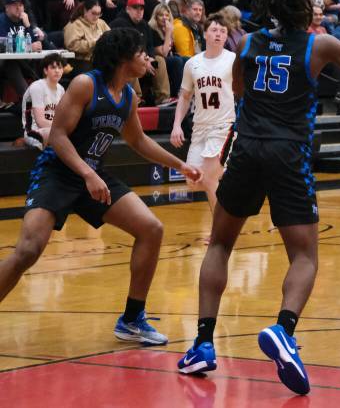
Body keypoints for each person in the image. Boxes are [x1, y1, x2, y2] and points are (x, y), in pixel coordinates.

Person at [178, 0, 340, 395]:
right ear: (302, 10)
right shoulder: (318, 43)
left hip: (247, 149)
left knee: (219, 244)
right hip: (288, 153)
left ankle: (203, 343)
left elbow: (239, 89)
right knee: (305, 256)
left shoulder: (249, 45)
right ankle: (284, 329)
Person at [0, 29, 201, 344]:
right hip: (59, 171)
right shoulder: (85, 84)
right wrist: (87, 174)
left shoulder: (129, 96)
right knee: (28, 250)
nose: (148, 57)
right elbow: (58, 137)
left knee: (151, 229)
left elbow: (138, 140)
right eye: (141, 52)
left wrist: (180, 164)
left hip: (94, 173)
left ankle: (132, 319)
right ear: (123, 57)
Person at [171, 14, 236, 213]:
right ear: (205, 34)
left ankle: (220, 231)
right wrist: (176, 125)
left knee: (208, 178)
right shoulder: (192, 63)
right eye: (214, 30)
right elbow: (184, 96)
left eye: (223, 31)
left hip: (223, 127)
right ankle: (227, 179)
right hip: (199, 128)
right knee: (193, 180)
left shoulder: (233, 60)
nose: (218, 34)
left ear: (226, 37)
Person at [23, 54, 66, 149]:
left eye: (60, 67)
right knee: (54, 135)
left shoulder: (61, 89)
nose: (57, 71)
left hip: (53, 129)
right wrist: (63, 128)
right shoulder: (37, 87)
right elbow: (40, 122)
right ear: (45, 70)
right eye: (53, 67)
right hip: (33, 131)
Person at [64, 0, 110, 75]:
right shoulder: (75, 24)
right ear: (85, 11)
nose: (96, 17)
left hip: (100, 59)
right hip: (81, 62)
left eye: (99, 14)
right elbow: (72, 45)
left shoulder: (101, 23)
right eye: (93, 13)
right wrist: (95, 42)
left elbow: (111, 36)